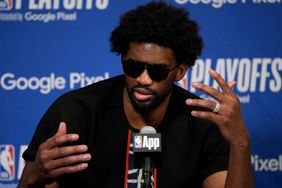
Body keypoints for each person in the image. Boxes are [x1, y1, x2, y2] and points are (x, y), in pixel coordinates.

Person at [17, 1, 254, 188]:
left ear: (180, 71)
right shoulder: (75, 112)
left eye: (157, 71)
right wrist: (34, 177)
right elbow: (32, 182)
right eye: (133, 67)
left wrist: (240, 141)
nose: (142, 79)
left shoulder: (203, 124)